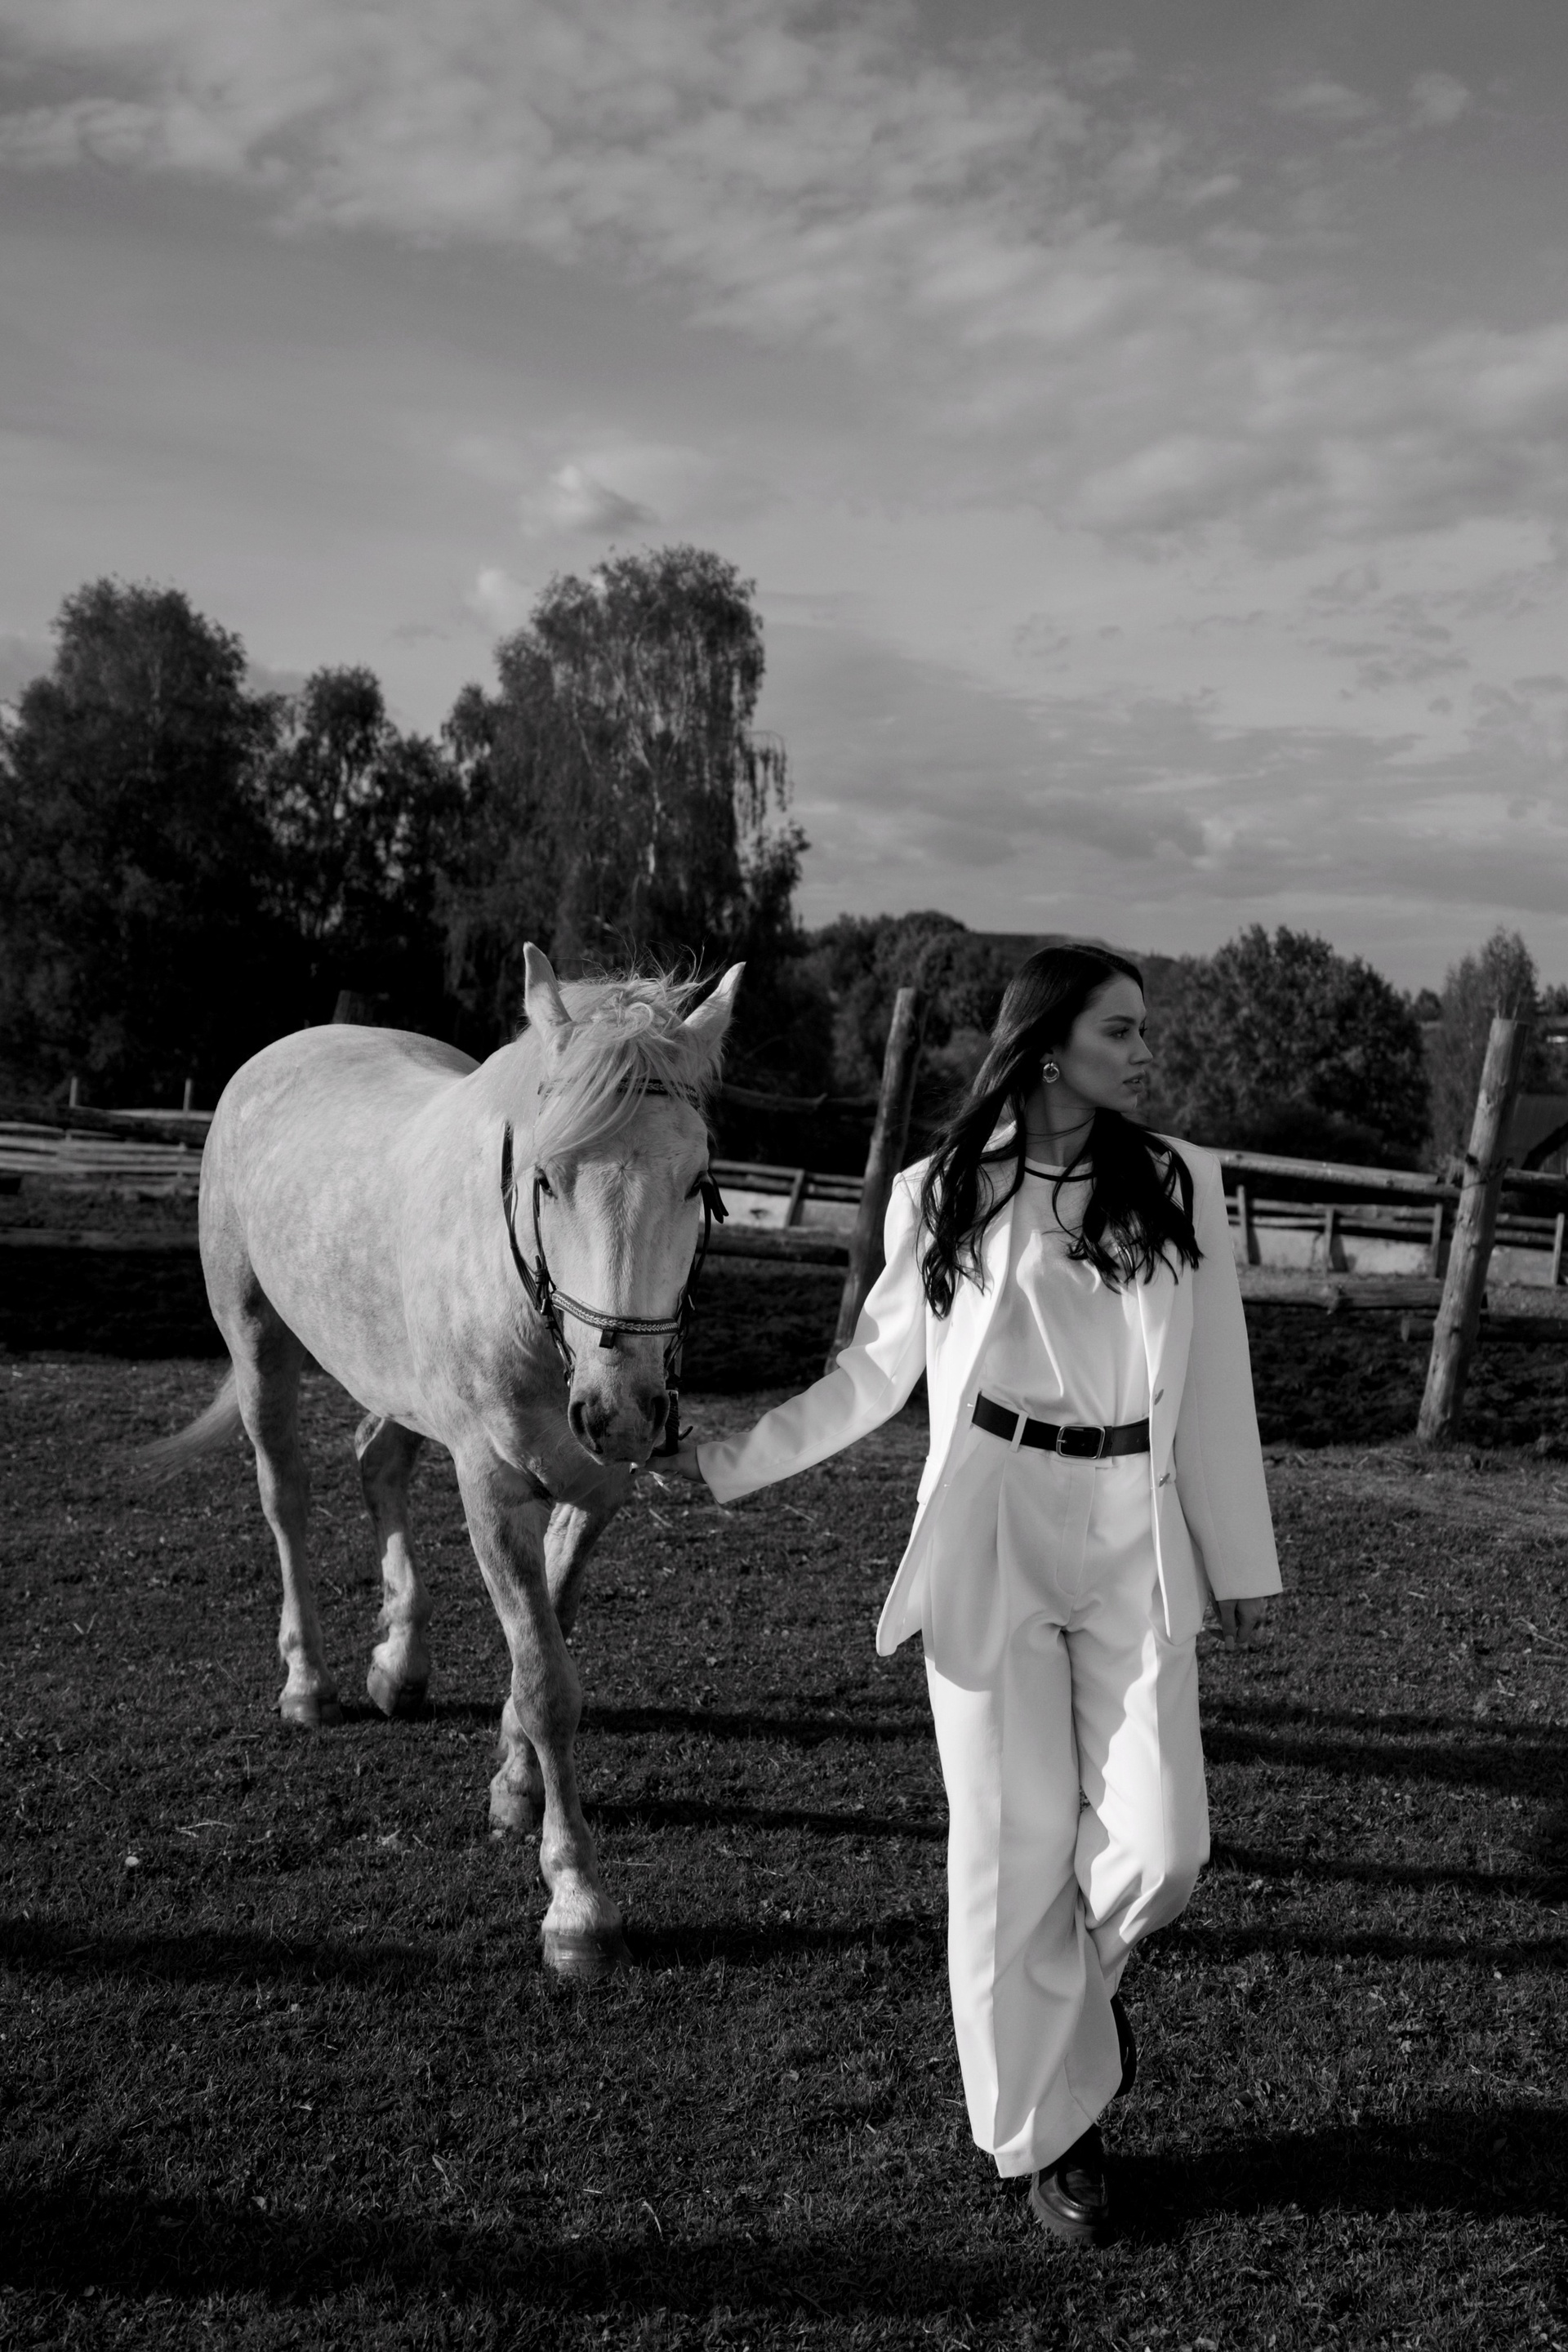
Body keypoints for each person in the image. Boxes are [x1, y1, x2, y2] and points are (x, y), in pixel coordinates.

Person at [659, 943, 1281, 2243]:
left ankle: (1076, 2007)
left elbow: (1217, 1379)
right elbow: (872, 1375)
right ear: (1048, 1048)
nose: (1144, 1051)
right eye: (1121, 1029)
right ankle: (1053, 2135)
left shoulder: (1179, 1181)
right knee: (1009, 1849)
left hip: (1134, 1525)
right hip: (992, 1518)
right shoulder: (942, 1190)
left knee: (1166, 1849)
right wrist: (723, 1466)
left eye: (1142, 1029)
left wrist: (1237, 1557)